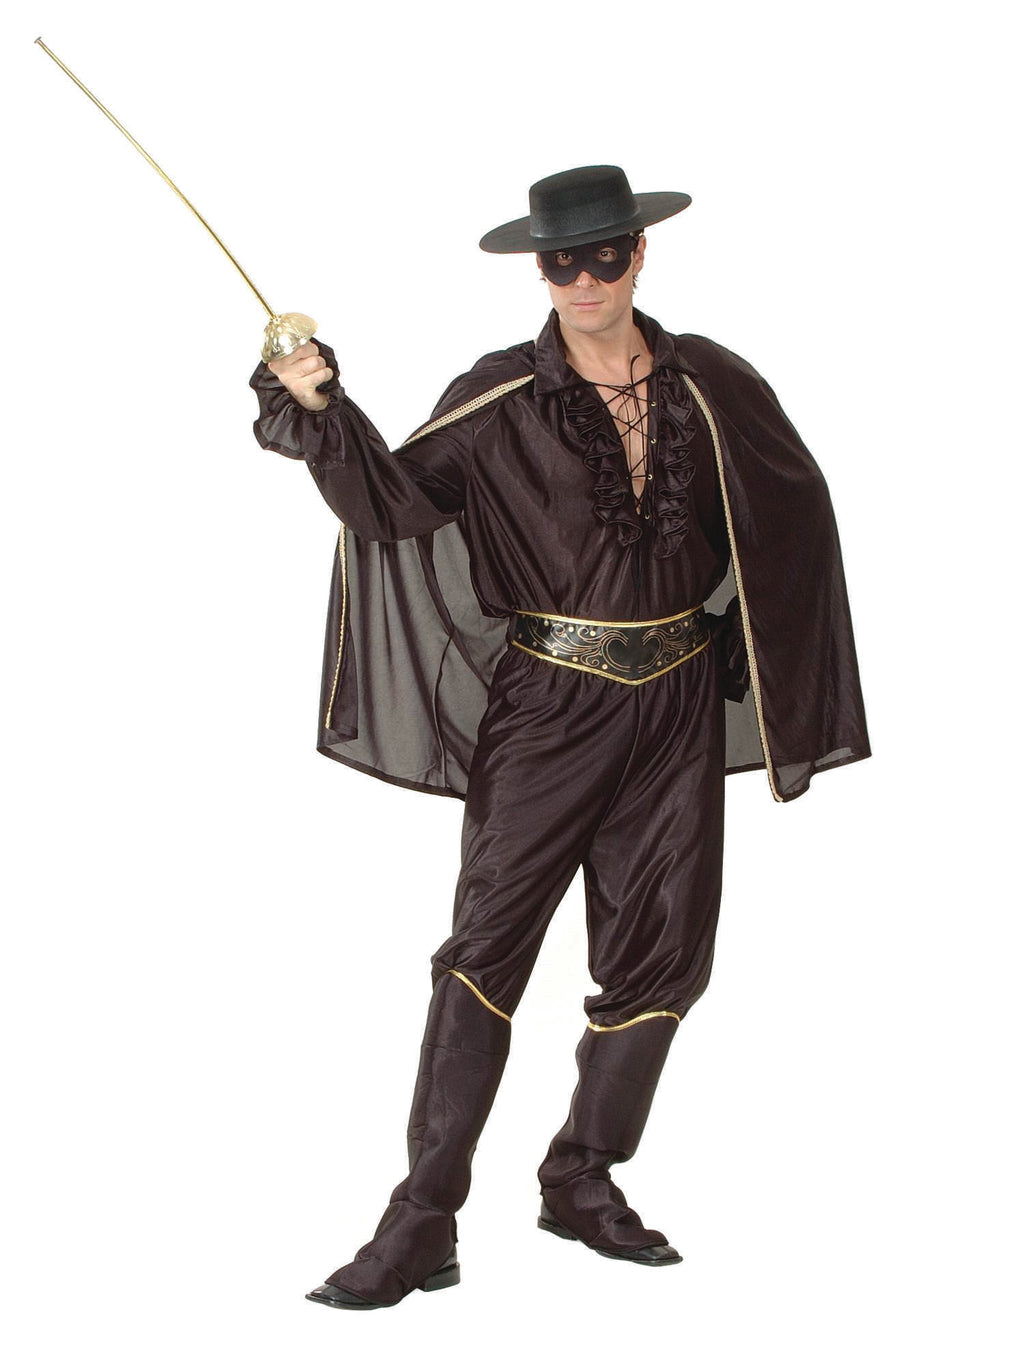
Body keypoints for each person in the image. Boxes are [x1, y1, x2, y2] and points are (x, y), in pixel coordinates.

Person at [248, 164, 870, 1310]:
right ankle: (422, 1220)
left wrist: (749, 634)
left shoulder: (712, 384)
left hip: (676, 701)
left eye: (603, 255)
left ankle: (580, 1175)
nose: (583, 279)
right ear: (537, 269)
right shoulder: (498, 400)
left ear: (640, 253)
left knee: (665, 954)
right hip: (547, 709)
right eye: (560, 261)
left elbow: (789, 505)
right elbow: (390, 504)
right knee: (485, 948)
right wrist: (323, 412)